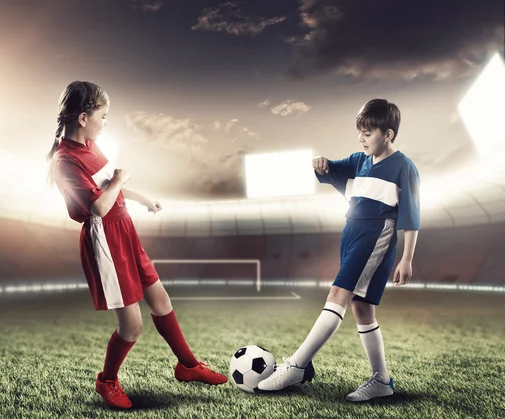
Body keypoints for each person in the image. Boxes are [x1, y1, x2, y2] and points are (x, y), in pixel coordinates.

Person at [47, 81, 227, 410]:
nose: (105, 123)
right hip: (105, 240)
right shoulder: (64, 160)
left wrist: (141, 197)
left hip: (125, 230)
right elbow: (98, 206)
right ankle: (107, 381)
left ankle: (187, 366)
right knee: (132, 326)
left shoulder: (90, 145)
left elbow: (109, 189)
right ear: (84, 117)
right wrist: (118, 180)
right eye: (104, 116)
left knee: (160, 299)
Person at [258, 98, 420, 402]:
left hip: (375, 236)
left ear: (389, 134)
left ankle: (297, 365)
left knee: (338, 295)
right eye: (360, 132)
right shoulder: (359, 160)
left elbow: (411, 218)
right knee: (362, 308)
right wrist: (319, 162)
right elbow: (328, 169)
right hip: (351, 234)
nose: (362, 138)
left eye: (369, 133)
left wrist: (407, 258)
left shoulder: (405, 168)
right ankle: (382, 381)